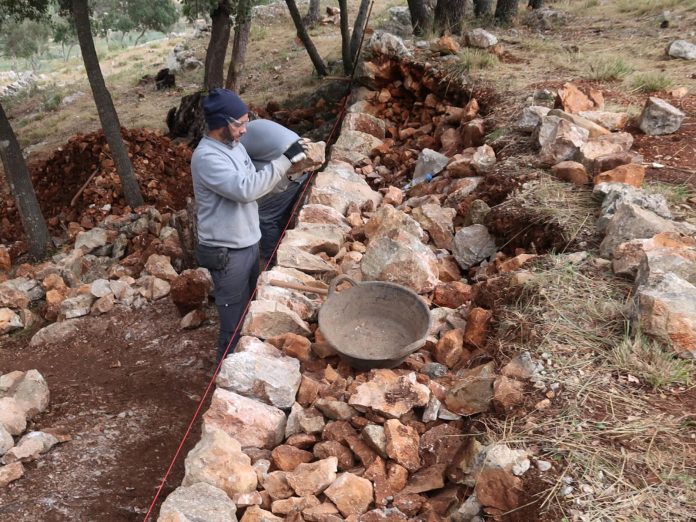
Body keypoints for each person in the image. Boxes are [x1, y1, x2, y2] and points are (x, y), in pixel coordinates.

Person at [191, 88, 307, 362]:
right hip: (226, 251)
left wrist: (285, 177)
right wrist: (283, 160)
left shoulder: (236, 147)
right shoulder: (208, 157)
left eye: (245, 122)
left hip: (248, 242)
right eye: (239, 123)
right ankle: (225, 381)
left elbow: (256, 184)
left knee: (249, 313)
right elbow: (245, 189)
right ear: (221, 122)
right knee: (233, 324)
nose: (245, 129)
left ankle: (246, 366)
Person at [239, 119, 311, 263]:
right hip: (299, 157)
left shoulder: (237, 141)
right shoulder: (251, 127)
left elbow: (244, 181)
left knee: (266, 216)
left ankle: (272, 260)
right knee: (276, 209)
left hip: (293, 169)